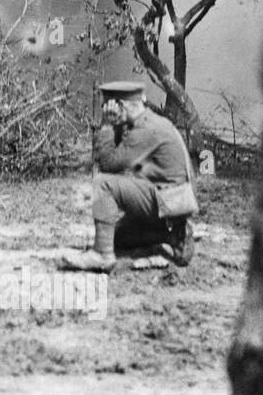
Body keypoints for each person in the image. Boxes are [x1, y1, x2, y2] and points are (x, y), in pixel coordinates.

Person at [59, 80, 196, 272]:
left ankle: (102, 255)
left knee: (103, 184)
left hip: (167, 201)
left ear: (120, 106)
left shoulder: (146, 129)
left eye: (107, 106)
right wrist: (117, 127)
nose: (105, 111)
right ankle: (173, 237)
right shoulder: (148, 122)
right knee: (119, 237)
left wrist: (107, 125)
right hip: (171, 201)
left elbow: (108, 165)